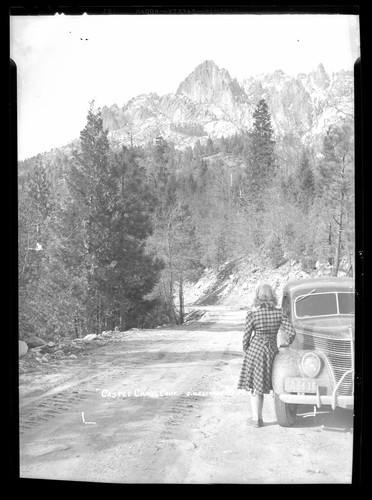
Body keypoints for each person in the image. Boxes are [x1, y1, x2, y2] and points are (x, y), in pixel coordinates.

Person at [237, 283, 296, 428]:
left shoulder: (253, 314)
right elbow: (292, 332)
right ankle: (260, 418)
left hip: (255, 351)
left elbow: (246, 337)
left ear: (258, 296)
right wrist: (285, 344)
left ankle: (257, 419)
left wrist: (247, 349)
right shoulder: (279, 313)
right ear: (272, 296)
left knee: (255, 388)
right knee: (271, 385)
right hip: (272, 352)